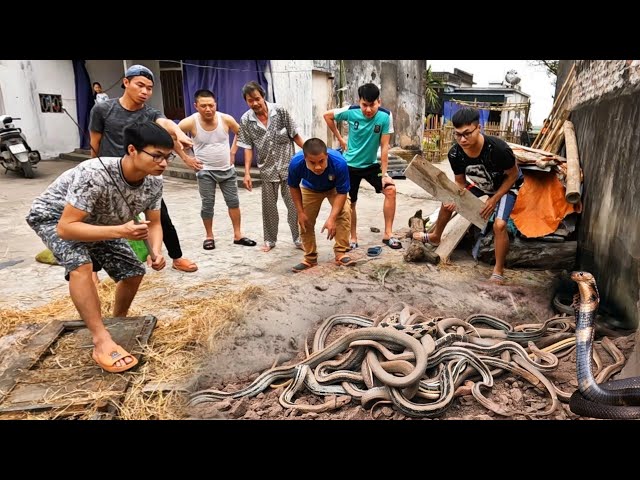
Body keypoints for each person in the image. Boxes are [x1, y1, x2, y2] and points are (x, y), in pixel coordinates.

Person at [25, 121, 171, 373]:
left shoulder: (153, 183)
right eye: (156, 156)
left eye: (167, 157)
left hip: (100, 222)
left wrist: (156, 251)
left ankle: (118, 322)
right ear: (132, 150)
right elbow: (66, 228)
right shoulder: (95, 173)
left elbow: (155, 223)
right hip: (55, 217)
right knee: (81, 266)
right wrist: (120, 231)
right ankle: (100, 340)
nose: (163, 163)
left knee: (133, 272)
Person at [89, 64, 198, 273]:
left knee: (161, 217)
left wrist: (180, 134)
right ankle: (93, 271)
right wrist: (92, 168)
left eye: (149, 88)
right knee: (100, 224)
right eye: (140, 85)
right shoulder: (103, 109)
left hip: (142, 176)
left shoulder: (150, 113)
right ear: (126, 82)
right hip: (110, 176)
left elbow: (165, 124)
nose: (145, 92)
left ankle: (176, 257)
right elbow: (95, 142)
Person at [413, 107, 524, 284]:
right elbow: (460, 182)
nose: (462, 139)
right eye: (458, 135)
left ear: (478, 128)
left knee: (500, 224)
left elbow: (512, 175)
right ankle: (435, 236)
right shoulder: (455, 154)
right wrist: (455, 199)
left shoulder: (498, 149)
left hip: (507, 185)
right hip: (482, 183)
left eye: (467, 134)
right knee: (447, 201)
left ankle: (498, 269)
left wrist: (494, 199)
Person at [323, 82, 402, 251]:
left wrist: (385, 173)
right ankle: (353, 237)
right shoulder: (350, 112)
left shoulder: (385, 116)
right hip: (349, 165)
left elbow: (385, 146)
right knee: (350, 202)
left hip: (371, 165)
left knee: (390, 190)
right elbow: (327, 116)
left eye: (372, 105)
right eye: (364, 105)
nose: (368, 109)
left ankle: (388, 234)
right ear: (359, 102)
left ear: (378, 102)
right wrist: (340, 139)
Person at [176, 89, 256, 250]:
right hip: (205, 171)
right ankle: (209, 236)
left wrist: (233, 151)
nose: (208, 109)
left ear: (215, 104)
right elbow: (172, 135)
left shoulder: (225, 119)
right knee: (207, 204)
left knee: (233, 202)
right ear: (196, 106)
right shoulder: (190, 122)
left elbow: (242, 134)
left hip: (227, 169)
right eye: (203, 106)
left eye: (211, 105)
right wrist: (186, 158)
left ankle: (238, 235)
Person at [236, 81, 304, 252]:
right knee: (269, 209)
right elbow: (247, 147)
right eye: (250, 101)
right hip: (267, 170)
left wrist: (310, 153)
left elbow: (295, 135)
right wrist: (247, 173)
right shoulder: (246, 120)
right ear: (246, 101)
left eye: (257, 99)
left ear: (263, 96)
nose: (255, 103)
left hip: (288, 168)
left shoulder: (280, 111)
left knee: (295, 206)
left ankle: (299, 238)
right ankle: (270, 240)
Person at [287, 138, 353, 272]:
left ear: (326, 156)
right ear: (305, 158)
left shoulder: (339, 163)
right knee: (305, 220)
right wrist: (300, 212)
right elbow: (293, 187)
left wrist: (331, 218)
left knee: (344, 212)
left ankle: (341, 253)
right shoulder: (295, 163)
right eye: (312, 162)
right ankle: (310, 258)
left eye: (321, 161)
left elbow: (342, 193)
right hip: (310, 188)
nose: (318, 167)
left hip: (334, 188)